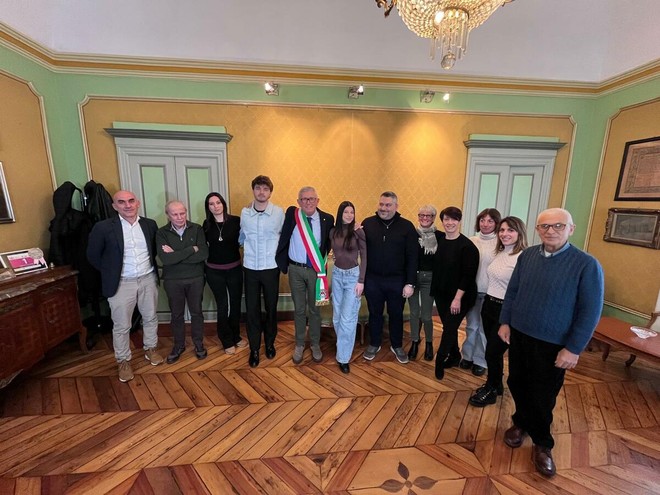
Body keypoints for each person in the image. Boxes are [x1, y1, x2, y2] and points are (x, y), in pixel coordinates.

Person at [499, 208, 604, 478]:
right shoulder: (527, 256)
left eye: (558, 226)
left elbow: (590, 311)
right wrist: (505, 322)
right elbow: (512, 292)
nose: (550, 231)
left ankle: (542, 443)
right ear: (537, 230)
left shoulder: (586, 264)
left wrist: (574, 348)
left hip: (553, 343)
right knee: (517, 382)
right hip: (520, 334)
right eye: (544, 226)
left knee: (543, 393)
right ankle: (520, 423)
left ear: (571, 229)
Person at [87, 190, 164, 383]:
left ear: (138, 203)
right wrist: (111, 272)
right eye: (121, 202)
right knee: (122, 325)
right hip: (121, 283)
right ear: (115, 206)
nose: (127, 205)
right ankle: (123, 361)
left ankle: (151, 348)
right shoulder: (103, 227)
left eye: (131, 201)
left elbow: (154, 250)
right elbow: (92, 255)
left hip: (147, 279)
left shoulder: (150, 224)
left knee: (150, 317)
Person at [469, 216, 527, 407]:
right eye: (502, 230)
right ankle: (496, 384)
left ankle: (492, 389)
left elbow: (521, 291)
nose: (504, 234)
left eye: (510, 230)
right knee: (492, 351)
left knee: (493, 351)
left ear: (519, 233)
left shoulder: (523, 257)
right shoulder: (500, 252)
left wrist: (508, 319)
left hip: (506, 310)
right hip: (489, 305)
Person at [276, 186, 334, 365]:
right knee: (300, 309)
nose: (308, 202)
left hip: (316, 271)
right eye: (304, 199)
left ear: (317, 201)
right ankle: (300, 344)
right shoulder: (292, 215)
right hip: (295, 270)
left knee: (315, 309)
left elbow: (332, 241)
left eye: (311, 199)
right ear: (298, 202)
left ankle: (315, 344)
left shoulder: (327, 219)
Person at [362, 191, 418, 364]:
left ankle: (397, 345)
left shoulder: (407, 227)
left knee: (396, 314)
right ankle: (374, 343)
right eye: (381, 204)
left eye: (388, 205)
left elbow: (413, 257)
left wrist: (410, 283)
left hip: (397, 280)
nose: (383, 208)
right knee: (374, 313)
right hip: (373, 279)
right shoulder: (367, 224)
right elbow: (357, 248)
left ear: (396, 206)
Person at [240, 175, 284, 368]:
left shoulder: (278, 213)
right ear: (253, 190)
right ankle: (255, 348)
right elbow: (241, 237)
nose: (261, 192)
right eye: (258, 188)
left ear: (270, 192)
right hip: (250, 267)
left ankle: (270, 343)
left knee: (271, 308)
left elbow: (284, 237)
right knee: (252, 309)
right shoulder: (245, 213)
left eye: (265, 189)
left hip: (270, 268)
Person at [156, 200, 209, 364]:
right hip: (173, 280)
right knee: (176, 314)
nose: (179, 217)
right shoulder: (161, 233)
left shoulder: (197, 229)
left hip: (196, 278)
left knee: (196, 313)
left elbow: (203, 254)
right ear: (168, 215)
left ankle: (198, 344)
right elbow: (166, 259)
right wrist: (191, 249)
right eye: (175, 214)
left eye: (182, 213)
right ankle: (178, 346)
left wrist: (176, 254)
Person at [430, 206, 479, 380]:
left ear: (459, 221)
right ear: (442, 221)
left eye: (453, 219)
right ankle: (455, 356)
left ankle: (440, 361)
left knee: (450, 328)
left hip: (461, 296)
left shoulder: (467, 247)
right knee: (448, 326)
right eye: (446, 219)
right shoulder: (440, 239)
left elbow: (468, 276)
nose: (449, 223)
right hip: (442, 293)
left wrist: (457, 299)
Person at [203, 192, 246, 355]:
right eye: (211, 204)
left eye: (218, 202)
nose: (216, 206)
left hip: (234, 269)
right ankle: (226, 339)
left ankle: (236, 336)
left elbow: (245, 240)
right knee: (223, 306)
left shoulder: (236, 221)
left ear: (223, 204)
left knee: (235, 305)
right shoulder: (206, 225)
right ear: (208, 207)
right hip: (214, 272)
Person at [461, 208, 501, 376]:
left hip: (491, 294)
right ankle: (467, 356)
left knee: (484, 330)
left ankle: (480, 360)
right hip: (472, 291)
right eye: (482, 220)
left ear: (496, 223)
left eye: (490, 221)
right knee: (471, 326)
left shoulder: (501, 243)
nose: (485, 224)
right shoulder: (472, 241)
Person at [330, 201, 367, 374]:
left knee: (348, 318)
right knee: (337, 317)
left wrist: (361, 280)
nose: (350, 215)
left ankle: (343, 358)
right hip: (337, 275)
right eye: (346, 212)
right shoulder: (333, 232)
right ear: (340, 213)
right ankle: (342, 346)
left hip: (353, 277)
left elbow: (365, 257)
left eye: (352, 212)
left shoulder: (358, 231)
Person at [407, 205, 438, 362]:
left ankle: (429, 343)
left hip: (429, 278)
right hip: (412, 278)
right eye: (422, 215)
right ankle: (414, 341)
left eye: (428, 215)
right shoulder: (411, 234)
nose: (424, 218)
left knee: (426, 315)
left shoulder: (440, 236)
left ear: (433, 218)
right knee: (413, 313)